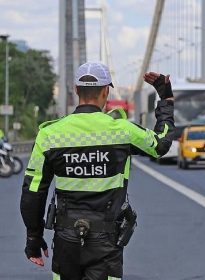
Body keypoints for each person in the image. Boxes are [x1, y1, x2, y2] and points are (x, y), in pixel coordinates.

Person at [20, 62, 175, 280]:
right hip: (106, 240)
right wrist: (166, 99)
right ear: (106, 91)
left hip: (66, 239)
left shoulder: (50, 135)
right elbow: (161, 144)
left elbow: (33, 192)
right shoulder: (122, 131)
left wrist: (33, 239)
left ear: (76, 91)